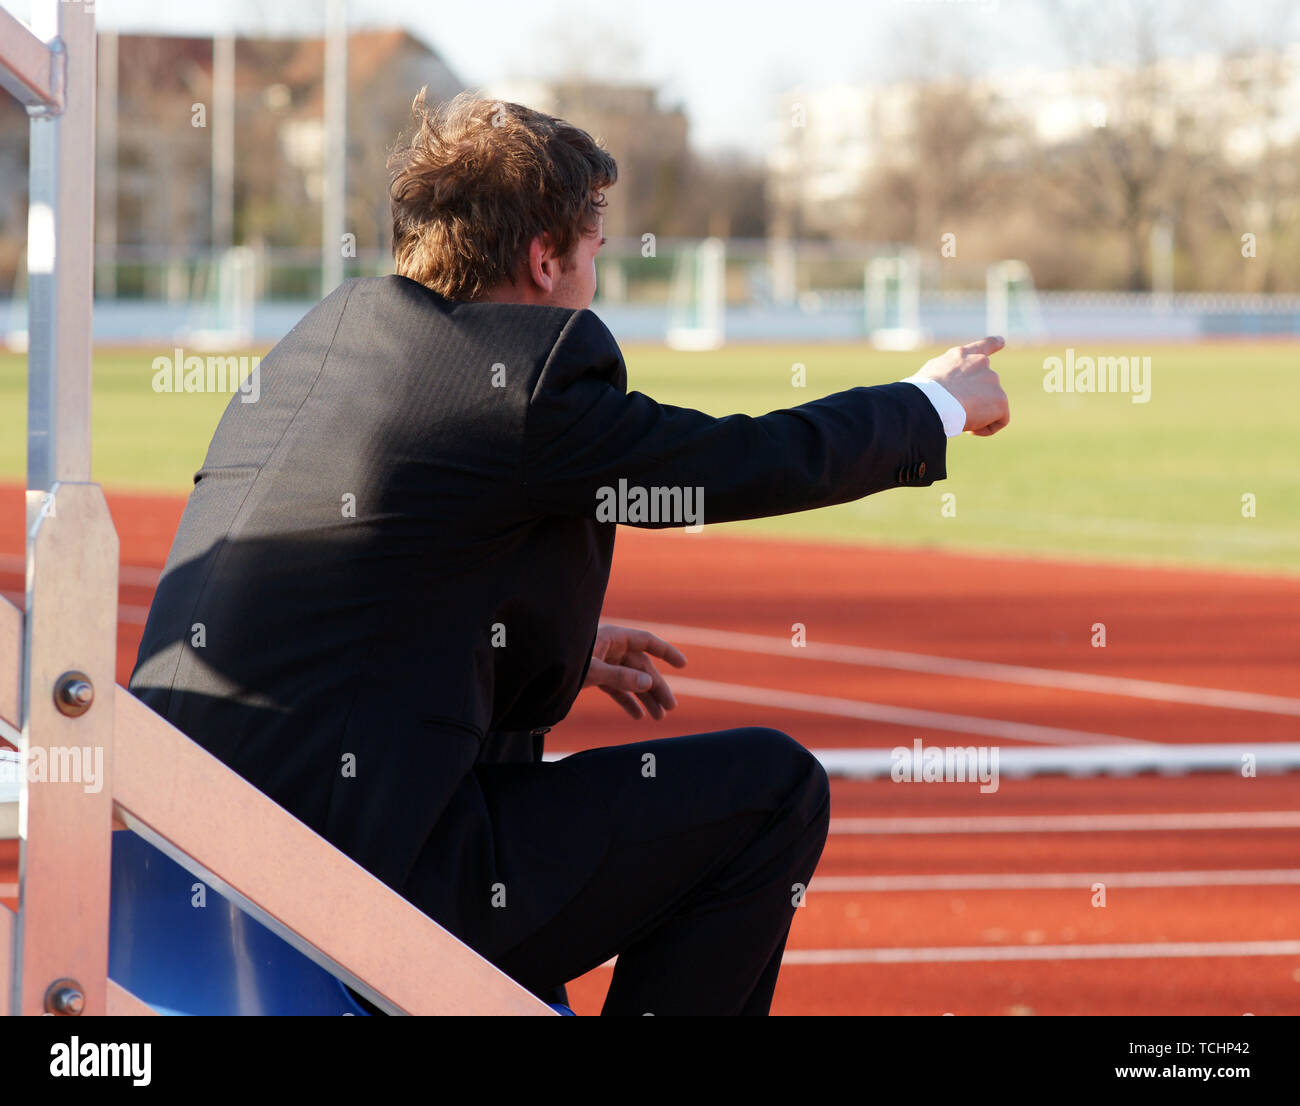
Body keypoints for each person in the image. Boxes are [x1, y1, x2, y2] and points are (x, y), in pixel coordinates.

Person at [128, 90, 1009, 1015]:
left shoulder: (319, 347)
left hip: (182, 837)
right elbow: (737, 464)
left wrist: (560, 654)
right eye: (595, 252)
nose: (597, 276)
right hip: (341, 878)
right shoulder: (523, 385)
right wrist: (933, 403)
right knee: (771, 793)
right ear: (545, 259)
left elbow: (360, 584)